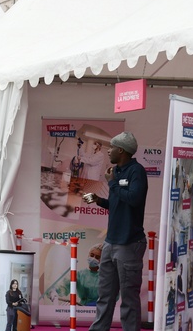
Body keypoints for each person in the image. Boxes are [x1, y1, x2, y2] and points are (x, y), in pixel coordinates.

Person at [83, 131, 147, 331]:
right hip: (111, 243)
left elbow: (134, 198)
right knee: (105, 295)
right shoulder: (115, 172)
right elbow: (117, 203)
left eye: (111, 147)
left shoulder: (137, 171)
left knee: (128, 297)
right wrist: (98, 199)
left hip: (130, 243)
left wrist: (111, 183)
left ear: (121, 150)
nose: (108, 151)